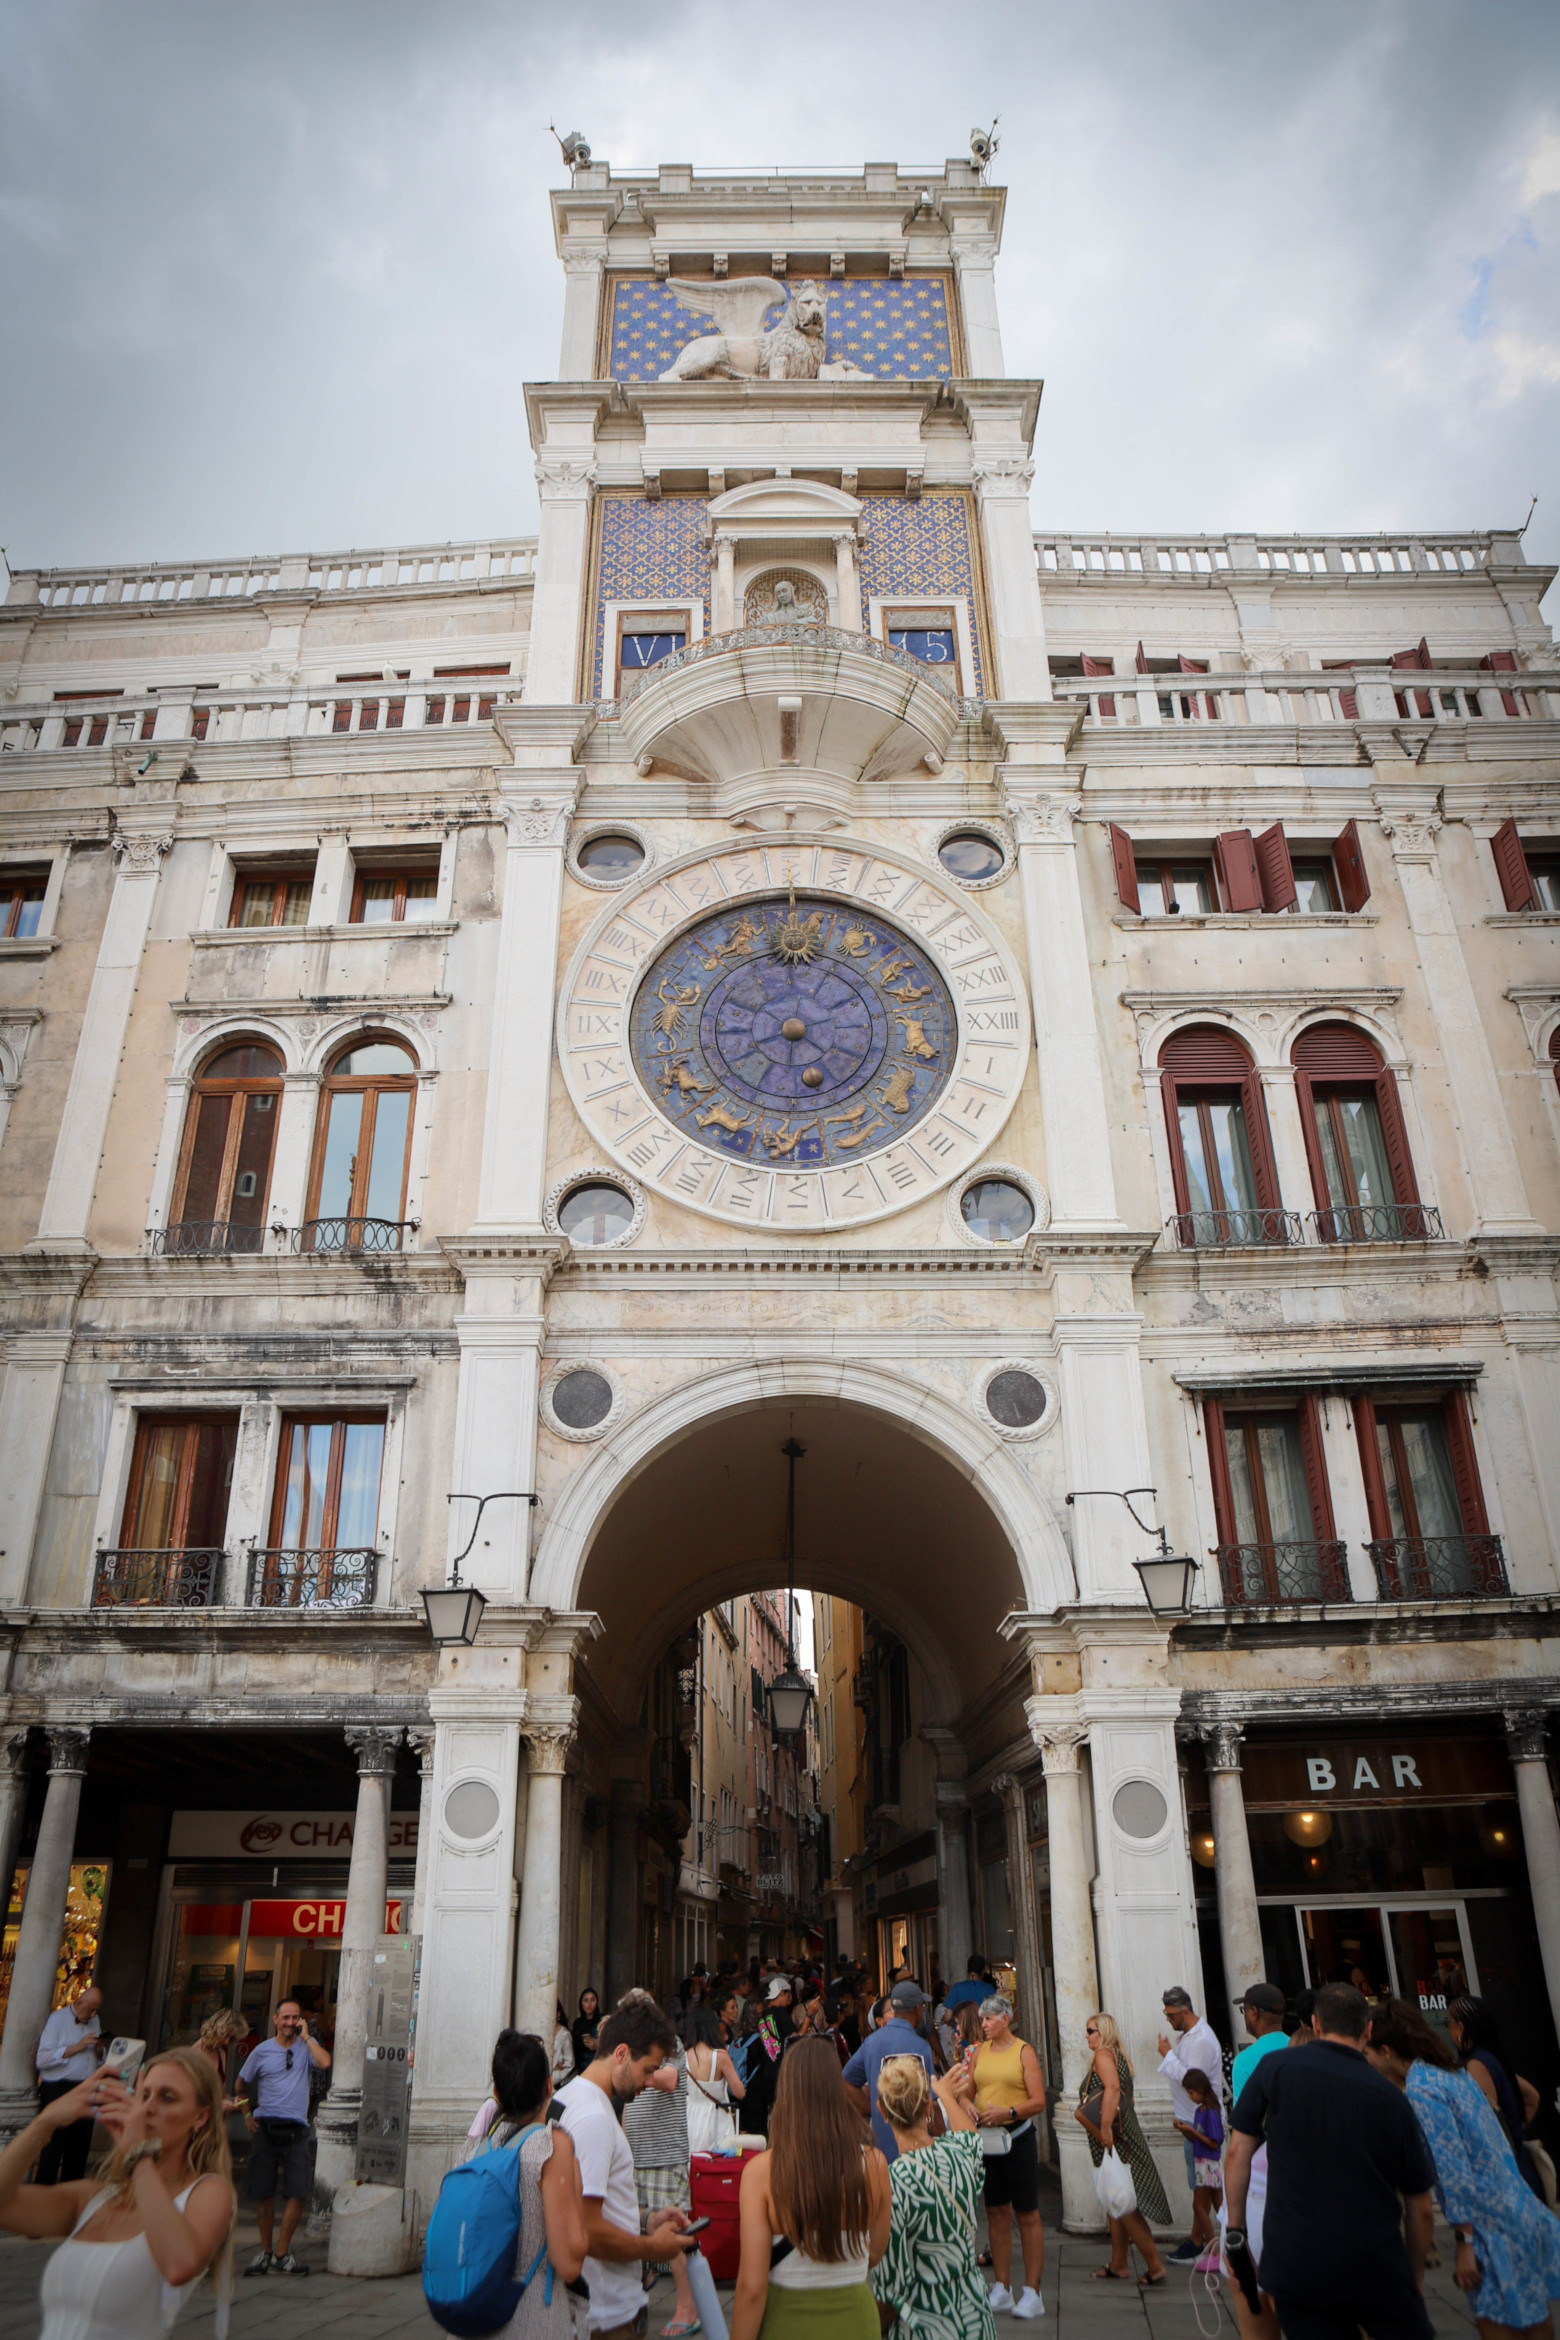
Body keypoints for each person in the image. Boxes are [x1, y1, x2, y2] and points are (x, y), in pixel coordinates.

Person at [1225, 1981, 1437, 2339]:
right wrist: (1413, 2277)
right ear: (1367, 2030)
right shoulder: (1391, 2097)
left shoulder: (1274, 2068)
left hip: (1296, 2264)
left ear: (1316, 2023)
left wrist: (1236, 2232)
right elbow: (1421, 2208)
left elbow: (1237, 2152)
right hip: (1374, 2264)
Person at [0, 2045, 236, 2339]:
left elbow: (179, 2265)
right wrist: (46, 2121)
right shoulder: (93, 2198)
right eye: (144, 2095)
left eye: (167, 2097)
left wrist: (138, 2155)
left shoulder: (208, 2191)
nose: (146, 2109)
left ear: (200, 2117)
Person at [1367, 1997, 1560, 2339]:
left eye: (1367, 2052)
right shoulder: (1450, 2073)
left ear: (1385, 2051)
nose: (1365, 2060)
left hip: (1488, 2226)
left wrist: (1465, 2242)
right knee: (1535, 2319)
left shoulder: (1422, 2091)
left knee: (1498, 2325)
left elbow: (1453, 2171)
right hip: (1518, 2208)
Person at [730, 2036, 892, 2340]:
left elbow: (751, 2288)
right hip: (857, 2321)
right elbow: (873, 2254)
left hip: (786, 2321)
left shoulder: (760, 2172)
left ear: (786, 2092)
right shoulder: (875, 2164)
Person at [555, 1995, 695, 2339]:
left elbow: (586, 2205)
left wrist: (647, 2220)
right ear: (621, 2054)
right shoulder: (594, 2117)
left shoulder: (570, 2097)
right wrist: (653, 2247)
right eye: (647, 2070)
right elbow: (588, 2230)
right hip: (604, 2312)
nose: (649, 2082)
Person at [871, 2054, 998, 2340]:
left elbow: (891, 2287)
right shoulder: (957, 2155)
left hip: (926, 2323)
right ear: (928, 2108)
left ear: (882, 2110)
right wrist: (945, 2095)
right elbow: (970, 2135)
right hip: (975, 2315)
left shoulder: (893, 2183)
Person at [481, 2029, 588, 2340]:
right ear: (549, 2085)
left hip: (474, 2313)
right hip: (530, 2316)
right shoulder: (549, 2147)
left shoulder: (472, 2151)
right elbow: (569, 2264)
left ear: (497, 2092)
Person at [621, 1997, 700, 2340]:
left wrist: (636, 2074)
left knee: (673, 2233)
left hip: (664, 2157)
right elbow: (628, 2107)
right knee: (634, 2230)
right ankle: (637, 2296)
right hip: (635, 2156)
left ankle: (688, 2308)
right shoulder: (632, 2049)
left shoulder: (670, 2044)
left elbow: (670, 2079)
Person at [234, 1998, 331, 2275]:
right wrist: (246, 2115)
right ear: (275, 2020)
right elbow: (240, 2086)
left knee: (298, 2192)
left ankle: (282, 2253)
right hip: (266, 2127)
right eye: (285, 2017)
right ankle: (265, 2251)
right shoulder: (261, 2051)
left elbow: (324, 2063)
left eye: (295, 2017)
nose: (290, 2022)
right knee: (263, 2193)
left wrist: (307, 2037)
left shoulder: (306, 2048)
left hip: (296, 2130)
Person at [1074, 2012, 1168, 2287]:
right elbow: (1127, 2097)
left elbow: (1113, 2089)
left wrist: (1105, 2128)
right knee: (1115, 2200)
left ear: (1103, 2032)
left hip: (1113, 2137)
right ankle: (1119, 2263)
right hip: (1123, 2133)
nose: (1086, 2036)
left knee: (1124, 2203)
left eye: (1090, 2030)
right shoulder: (1119, 2056)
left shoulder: (1103, 2055)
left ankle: (1155, 2266)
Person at [969, 1994, 1046, 2319]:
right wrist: (968, 2106)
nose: (983, 2024)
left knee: (1027, 2213)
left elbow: (1038, 2100)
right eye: (982, 2019)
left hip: (1018, 2138)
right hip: (989, 2141)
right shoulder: (979, 2052)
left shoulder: (1023, 2051)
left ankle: (1033, 2291)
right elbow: (967, 2091)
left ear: (1005, 2019)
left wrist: (1009, 2111)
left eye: (988, 2019)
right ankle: (1001, 2287)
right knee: (996, 2212)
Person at [1218, 1983, 1288, 2334]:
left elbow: (1244, 2138)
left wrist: (1235, 2226)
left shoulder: (1247, 2060)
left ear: (1254, 2013)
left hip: (1263, 2180)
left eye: (1245, 2010)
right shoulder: (1300, 2046)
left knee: (1254, 2297)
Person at [1448, 1995, 1547, 2204]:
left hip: (1508, 2181)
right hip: (1521, 2169)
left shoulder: (1476, 2066)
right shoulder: (1491, 2058)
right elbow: (1532, 2096)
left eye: (1449, 2024)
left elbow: (1485, 2125)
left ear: (1461, 2028)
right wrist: (1515, 2129)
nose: (1448, 2031)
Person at [1156, 1985, 1222, 2265]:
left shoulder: (1201, 2041)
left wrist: (1168, 2056)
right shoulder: (1187, 2037)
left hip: (1201, 2124)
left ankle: (1204, 2243)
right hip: (1190, 2119)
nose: (1168, 2019)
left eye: (1171, 2015)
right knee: (1202, 2188)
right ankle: (1204, 2241)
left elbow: (1192, 2080)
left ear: (1185, 2012)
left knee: (1203, 2190)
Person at [841, 1979, 935, 2165]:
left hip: (882, 2154)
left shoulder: (871, 2042)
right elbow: (931, 2101)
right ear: (917, 2009)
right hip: (917, 2155)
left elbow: (845, 2080)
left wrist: (874, 2107)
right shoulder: (921, 2047)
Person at [34, 1984, 104, 2186]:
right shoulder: (57, 2019)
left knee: (79, 2145)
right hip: (58, 2089)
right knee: (53, 2145)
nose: (93, 2015)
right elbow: (42, 2060)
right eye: (91, 2009)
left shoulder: (95, 2020)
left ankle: (71, 2191)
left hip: (85, 2088)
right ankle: (43, 2192)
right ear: (79, 2002)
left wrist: (99, 2049)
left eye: (97, 2010)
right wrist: (78, 2046)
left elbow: (96, 2058)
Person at [1172, 2069, 1223, 2272]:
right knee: (1219, 2206)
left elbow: (1214, 2142)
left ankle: (1214, 2250)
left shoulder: (1211, 2112)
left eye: (1192, 2092)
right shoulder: (1200, 2111)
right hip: (1202, 2161)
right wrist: (1186, 2131)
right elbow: (1198, 2140)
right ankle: (1229, 2245)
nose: (1190, 2097)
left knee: (1199, 2206)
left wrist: (1192, 2131)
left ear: (1201, 2090)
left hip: (1208, 2163)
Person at [741, 1976, 796, 2137]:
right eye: (788, 1995)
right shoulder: (781, 2013)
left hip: (767, 2073)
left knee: (772, 2112)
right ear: (781, 1994)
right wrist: (809, 2016)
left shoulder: (762, 2018)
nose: (789, 2000)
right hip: (783, 2072)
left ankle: (773, 2141)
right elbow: (796, 2038)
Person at [686, 2004, 745, 2153]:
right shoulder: (720, 2056)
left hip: (691, 2119)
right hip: (717, 2120)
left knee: (695, 2162)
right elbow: (739, 2092)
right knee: (719, 2163)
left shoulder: (684, 2056)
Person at [195, 2010, 247, 2114]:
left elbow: (221, 2094)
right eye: (225, 2035)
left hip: (216, 2119)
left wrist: (232, 2101)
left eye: (231, 2038)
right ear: (216, 2030)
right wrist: (216, 2106)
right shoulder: (195, 2054)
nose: (226, 2042)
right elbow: (189, 2098)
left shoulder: (220, 2052)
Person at [572, 1989, 603, 2079]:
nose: (589, 2004)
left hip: (599, 2066)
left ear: (597, 2002)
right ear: (581, 2003)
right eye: (586, 2000)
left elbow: (612, 2042)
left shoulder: (602, 2020)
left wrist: (597, 2044)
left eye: (592, 2000)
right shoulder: (578, 2023)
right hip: (582, 2069)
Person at [553, 2003, 576, 2088]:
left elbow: (569, 2063)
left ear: (558, 2014)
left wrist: (553, 2078)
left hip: (556, 2083)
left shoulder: (565, 2035)